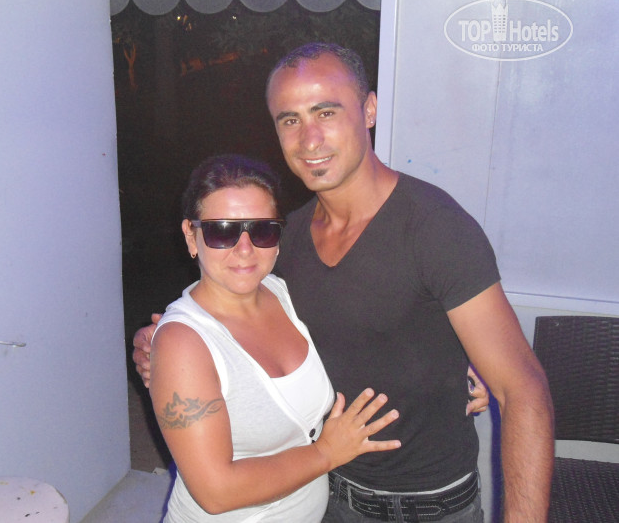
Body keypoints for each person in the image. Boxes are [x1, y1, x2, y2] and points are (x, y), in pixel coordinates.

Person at [136, 43, 554, 522]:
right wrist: (159, 342)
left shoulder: (434, 227)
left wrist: (472, 359)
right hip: (327, 494)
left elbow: (523, 389)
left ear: (369, 110)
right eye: (290, 119)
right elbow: (228, 312)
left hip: (431, 508)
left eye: (326, 112)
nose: (309, 138)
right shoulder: (283, 241)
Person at [151, 154, 401, 522]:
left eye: (263, 230)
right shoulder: (183, 344)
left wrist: (451, 363)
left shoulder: (283, 293)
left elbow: (363, 329)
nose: (245, 248)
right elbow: (215, 492)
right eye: (222, 231)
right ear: (191, 235)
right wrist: (326, 453)